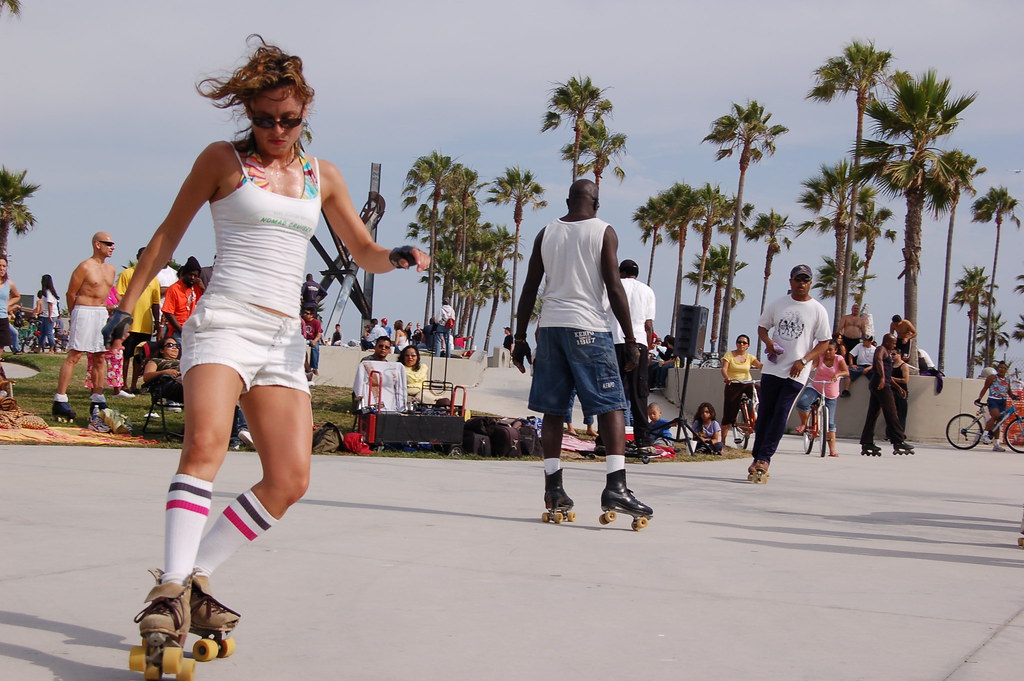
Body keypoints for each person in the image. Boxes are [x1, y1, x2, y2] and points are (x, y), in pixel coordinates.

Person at [108, 37, 428, 666]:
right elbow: (169, 232)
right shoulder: (222, 160)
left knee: (290, 477)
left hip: (284, 338)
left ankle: (193, 577)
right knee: (206, 446)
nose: (276, 130)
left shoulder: (322, 176)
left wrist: (395, 256)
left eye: (289, 119)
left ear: (305, 112)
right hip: (225, 322)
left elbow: (361, 251)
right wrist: (129, 302)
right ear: (247, 113)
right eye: (263, 119)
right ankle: (169, 591)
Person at [513, 178, 652, 527]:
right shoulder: (603, 231)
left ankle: (553, 488)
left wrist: (519, 338)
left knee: (554, 411)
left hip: (550, 330)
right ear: (597, 202)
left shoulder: (546, 232)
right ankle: (616, 486)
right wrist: (632, 339)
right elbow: (613, 285)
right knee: (610, 405)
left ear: (567, 200)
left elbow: (531, 286)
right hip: (589, 328)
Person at [748, 264, 832, 482]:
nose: (801, 284)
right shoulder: (778, 304)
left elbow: (824, 342)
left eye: (805, 280)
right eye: (798, 279)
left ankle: (765, 458)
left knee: (780, 414)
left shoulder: (817, 310)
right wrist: (768, 343)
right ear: (791, 281)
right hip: (774, 368)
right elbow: (762, 327)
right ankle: (757, 457)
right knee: (765, 413)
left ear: (810, 283)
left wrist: (804, 360)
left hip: (796, 373)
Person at [52, 233, 116, 422]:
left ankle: (97, 397)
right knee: (75, 354)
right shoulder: (84, 266)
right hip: (84, 309)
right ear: (97, 245)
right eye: (108, 243)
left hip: (101, 312)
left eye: (113, 244)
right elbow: (71, 293)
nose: (112, 247)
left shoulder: (111, 269)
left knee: (99, 356)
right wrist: (75, 314)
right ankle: (60, 398)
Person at [613, 259, 656, 445]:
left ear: (620, 271)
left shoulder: (613, 286)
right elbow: (648, 324)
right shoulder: (647, 290)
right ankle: (643, 438)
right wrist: (647, 348)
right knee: (639, 393)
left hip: (615, 342)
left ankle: (606, 436)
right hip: (639, 343)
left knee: (612, 392)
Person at [116, 248, 162, 391]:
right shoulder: (127, 274)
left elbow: (155, 303)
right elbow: (119, 297)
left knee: (140, 358)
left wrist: (157, 323)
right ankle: (122, 384)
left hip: (145, 325)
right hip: (129, 324)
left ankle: (134, 385)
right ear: (137, 257)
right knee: (125, 356)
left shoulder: (154, 279)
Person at [859, 334, 913, 455]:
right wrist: (882, 378)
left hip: (880, 384)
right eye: (893, 343)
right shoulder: (881, 349)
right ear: (886, 341)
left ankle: (867, 442)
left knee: (872, 414)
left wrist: (898, 387)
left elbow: (888, 374)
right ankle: (898, 441)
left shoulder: (887, 353)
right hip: (881, 386)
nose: (894, 345)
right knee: (891, 412)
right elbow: (878, 360)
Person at [794, 339, 849, 456]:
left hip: (830, 392)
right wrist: (805, 370)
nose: (827, 352)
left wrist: (838, 374)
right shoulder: (820, 356)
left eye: (830, 350)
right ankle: (804, 424)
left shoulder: (839, 359)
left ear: (835, 350)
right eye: (826, 350)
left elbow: (846, 372)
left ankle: (832, 450)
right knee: (803, 404)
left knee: (830, 423)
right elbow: (813, 366)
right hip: (816, 386)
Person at [720, 334, 763, 447]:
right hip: (733, 383)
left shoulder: (750, 357)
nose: (741, 344)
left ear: (748, 346)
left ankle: (757, 419)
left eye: (744, 343)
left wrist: (773, 369)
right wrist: (726, 378)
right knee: (729, 412)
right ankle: (723, 440)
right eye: (739, 342)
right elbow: (724, 368)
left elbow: (760, 366)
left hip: (747, 383)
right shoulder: (729, 355)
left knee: (762, 394)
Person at [161, 256, 203, 340]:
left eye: (195, 276)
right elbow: (168, 312)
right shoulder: (174, 289)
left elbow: (207, 302)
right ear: (184, 274)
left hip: (193, 331)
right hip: (178, 332)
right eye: (190, 274)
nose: (192, 278)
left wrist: (202, 288)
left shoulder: (196, 288)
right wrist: (181, 330)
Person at [978, 361, 1014, 452]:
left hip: (1003, 401)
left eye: (1004, 368)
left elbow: (1009, 391)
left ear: (1006, 370)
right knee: (996, 416)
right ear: (998, 369)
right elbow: (985, 388)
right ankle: (985, 435)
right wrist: (979, 398)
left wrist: (1014, 396)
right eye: (1000, 368)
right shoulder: (992, 378)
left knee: (998, 423)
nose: (1002, 370)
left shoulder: (1007, 380)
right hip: (993, 400)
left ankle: (996, 444)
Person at [0, 256, 21, 356]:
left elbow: (17, 296)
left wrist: (7, 304)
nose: (2, 268)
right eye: (0, 265)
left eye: (4, 266)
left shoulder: (9, 283)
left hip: (2, 319)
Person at [36, 274, 60, 353]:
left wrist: (50, 316)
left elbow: (50, 304)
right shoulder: (46, 293)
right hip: (46, 314)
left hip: (50, 315)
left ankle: (52, 348)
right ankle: (39, 347)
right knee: (42, 332)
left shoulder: (48, 293)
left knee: (49, 332)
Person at [300, 307, 322, 379]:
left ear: (311, 315)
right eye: (305, 313)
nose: (305, 314)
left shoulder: (316, 322)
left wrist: (314, 341)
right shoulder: (301, 321)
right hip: (303, 338)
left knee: (315, 348)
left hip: (312, 339)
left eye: (307, 313)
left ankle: (314, 368)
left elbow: (319, 334)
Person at [892, 352, 910, 432]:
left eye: (894, 354)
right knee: (892, 413)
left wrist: (893, 379)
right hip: (891, 391)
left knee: (901, 413)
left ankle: (900, 432)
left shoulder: (903, 366)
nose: (892, 356)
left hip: (901, 392)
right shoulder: (891, 365)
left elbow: (905, 380)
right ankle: (890, 433)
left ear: (899, 355)